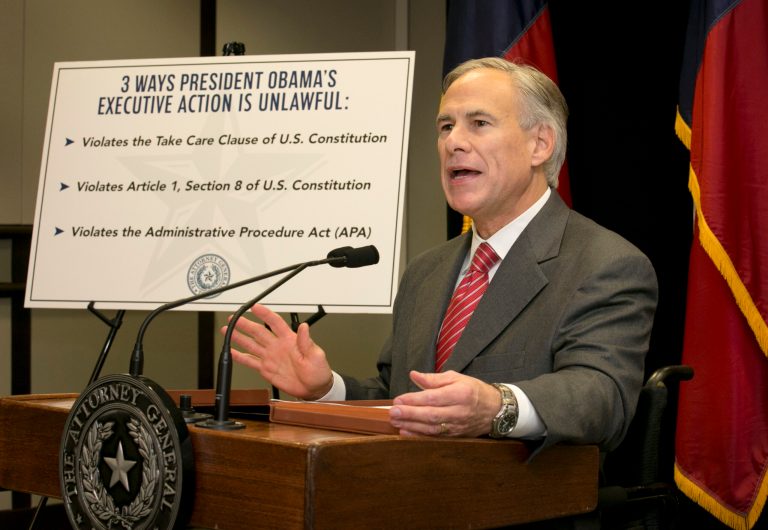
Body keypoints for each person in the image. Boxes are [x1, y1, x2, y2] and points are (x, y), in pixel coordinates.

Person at [226, 57, 658, 454]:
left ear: (539, 145)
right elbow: (402, 401)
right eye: (445, 126)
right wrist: (326, 390)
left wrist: (497, 405)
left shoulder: (604, 264)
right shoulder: (426, 272)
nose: (454, 142)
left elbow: (602, 398)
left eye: (479, 123)